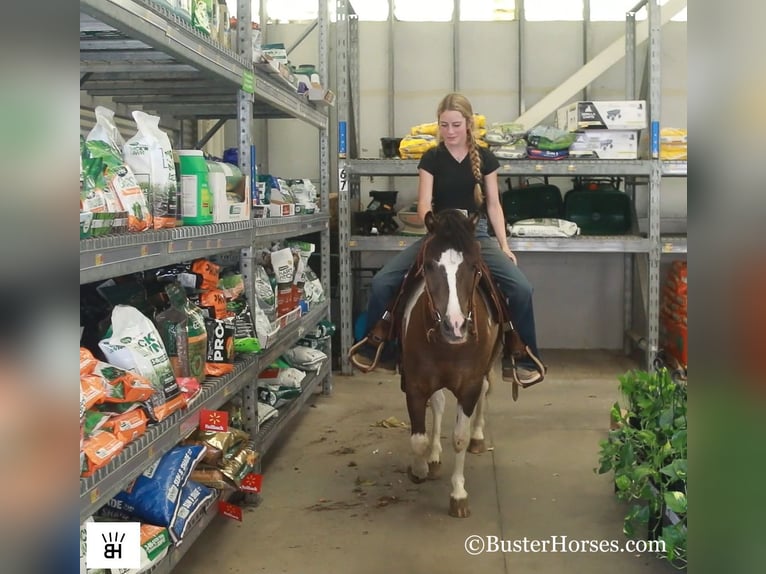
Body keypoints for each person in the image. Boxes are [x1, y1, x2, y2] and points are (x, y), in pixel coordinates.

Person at [349, 92, 546, 387]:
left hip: (475, 235)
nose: (450, 132)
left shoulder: (486, 158)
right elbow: (424, 203)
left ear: (468, 124)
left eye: (455, 125)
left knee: (521, 288)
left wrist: (505, 246)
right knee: (383, 282)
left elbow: (493, 205)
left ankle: (521, 355)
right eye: (444, 125)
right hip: (439, 233)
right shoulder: (432, 158)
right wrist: (431, 224)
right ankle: (381, 346)